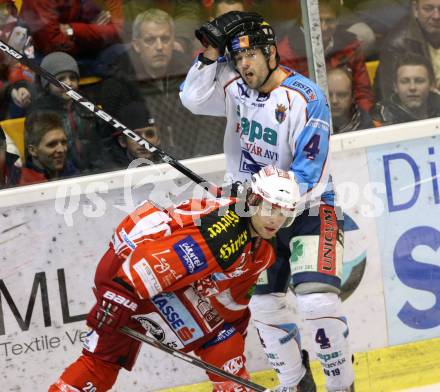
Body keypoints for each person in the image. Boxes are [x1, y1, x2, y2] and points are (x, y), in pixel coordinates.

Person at [180, 11, 355, 392]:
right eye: (237, 58)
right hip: (253, 215)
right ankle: (296, 384)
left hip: (309, 207)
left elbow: (310, 172)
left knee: (317, 304)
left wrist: (263, 196)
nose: (243, 65)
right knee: (263, 306)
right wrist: (211, 52)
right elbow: (191, 99)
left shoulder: (306, 98)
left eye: (251, 56)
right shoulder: (233, 85)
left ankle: (343, 387)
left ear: (271, 53)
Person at [48, 165, 301, 392]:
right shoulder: (224, 233)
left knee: (103, 361)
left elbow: (232, 306)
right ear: (254, 201)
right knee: (219, 339)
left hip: (133, 276)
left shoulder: (262, 249)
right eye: (270, 208)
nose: (276, 220)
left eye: (284, 214)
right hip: (129, 275)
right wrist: (118, 298)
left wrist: (232, 351)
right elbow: (151, 263)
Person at [100, 8, 225, 160]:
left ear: (173, 41)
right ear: (137, 45)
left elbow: (210, 120)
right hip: (138, 168)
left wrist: (201, 158)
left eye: (165, 39)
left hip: (193, 160)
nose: (159, 47)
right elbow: (108, 139)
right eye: (150, 40)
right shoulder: (117, 84)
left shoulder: (192, 71)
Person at [276, 0, 374, 113]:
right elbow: (288, 104)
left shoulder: (351, 46)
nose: (323, 27)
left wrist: (365, 122)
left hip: (349, 121)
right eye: (316, 21)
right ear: (303, 20)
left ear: (338, 20)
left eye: (330, 20)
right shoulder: (286, 54)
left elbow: (363, 93)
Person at [30, 51, 103, 174]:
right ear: (47, 84)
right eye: (60, 79)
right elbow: (37, 159)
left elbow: (105, 144)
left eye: (73, 78)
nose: (69, 83)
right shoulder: (39, 114)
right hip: (63, 179)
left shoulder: (88, 106)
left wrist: (106, 170)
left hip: (98, 174)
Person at [20, 0, 124, 76]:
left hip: (84, 49)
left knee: (121, 52)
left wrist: (72, 29)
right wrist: (92, 34)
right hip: (50, 56)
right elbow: (53, 44)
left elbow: (117, 31)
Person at [374, 0, 440, 101]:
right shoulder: (396, 45)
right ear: (415, 8)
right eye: (428, 9)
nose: (436, 16)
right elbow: (393, 100)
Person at [373, 53, 440, 125]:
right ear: (395, 86)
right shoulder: (383, 115)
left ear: (431, 85)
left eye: (419, 81)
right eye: (405, 81)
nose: (412, 87)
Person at [18, 110, 78, 185]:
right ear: (33, 150)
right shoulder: (25, 186)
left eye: (63, 142)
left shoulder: (70, 169)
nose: (61, 149)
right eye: (52, 144)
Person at [101, 101, 164, 170]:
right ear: (122, 141)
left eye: (150, 134)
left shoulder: (171, 163)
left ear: (158, 139)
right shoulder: (111, 171)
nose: (144, 142)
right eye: (135, 136)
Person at [328, 67, 374, 133]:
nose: (334, 101)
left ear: (353, 97)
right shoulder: (311, 124)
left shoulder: (368, 127)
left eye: (341, 95)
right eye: (328, 95)